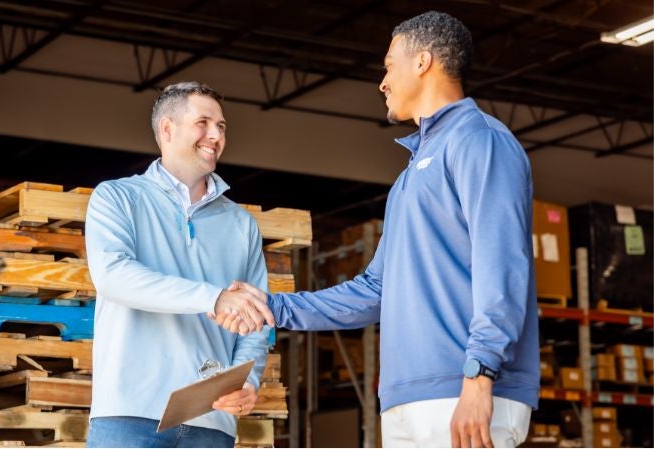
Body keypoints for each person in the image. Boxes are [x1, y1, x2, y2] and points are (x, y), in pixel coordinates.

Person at [216, 11, 539, 448]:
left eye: (389, 65)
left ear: (423, 62)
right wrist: (273, 307)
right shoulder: (410, 175)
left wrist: (479, 374)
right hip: (408, 395)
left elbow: (502, 266)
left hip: (463, 390)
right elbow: (375, 290)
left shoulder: (480, 141)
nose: (382, 82)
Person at [84, 81, 274, 448]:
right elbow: (115, 278)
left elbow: (256, 317)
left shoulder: (241, 223)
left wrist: (248, 381)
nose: (215, 135)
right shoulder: (117, 197)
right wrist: (214, 298)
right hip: (129, 414)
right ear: (167, 129)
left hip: (211, 422)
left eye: (221, 127)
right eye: (203, 123)